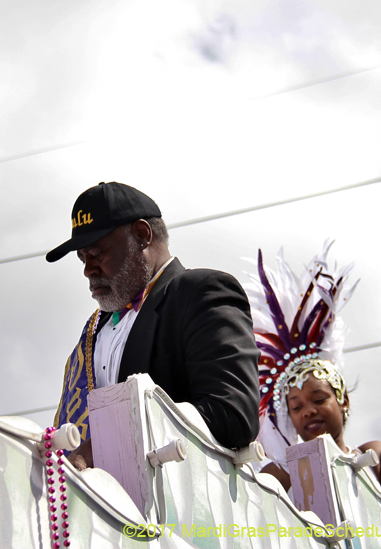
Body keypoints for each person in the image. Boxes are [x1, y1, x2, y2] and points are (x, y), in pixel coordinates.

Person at [46, 181, 260, 470]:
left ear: (142, 235)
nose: (88, 270)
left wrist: (110, 443)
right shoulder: (94, 333)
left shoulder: (200, 291)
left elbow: (233, 416)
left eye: (96, 254)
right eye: (82, 258)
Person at [259, 357, 381, 526]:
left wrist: (346, 504)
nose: (308, 411)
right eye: (296, 407)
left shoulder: (372, 455)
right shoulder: (281, 473)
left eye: (319, 400)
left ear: (343, 401)